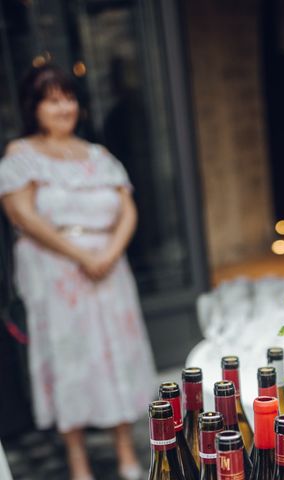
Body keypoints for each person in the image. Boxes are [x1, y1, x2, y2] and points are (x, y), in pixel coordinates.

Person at [0, 65, 157, 480]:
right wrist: (80, 256)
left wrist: (109, 251)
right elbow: (23, 215)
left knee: (115, 355)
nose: (63, 106)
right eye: (53, 99)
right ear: (35, 107)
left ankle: (125, 449)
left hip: (109, 268)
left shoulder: (99, 156)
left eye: (69, 97)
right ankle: (78, 461)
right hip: (56, 274)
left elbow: (128, 208)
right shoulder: (21, 155)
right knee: (69, 357)